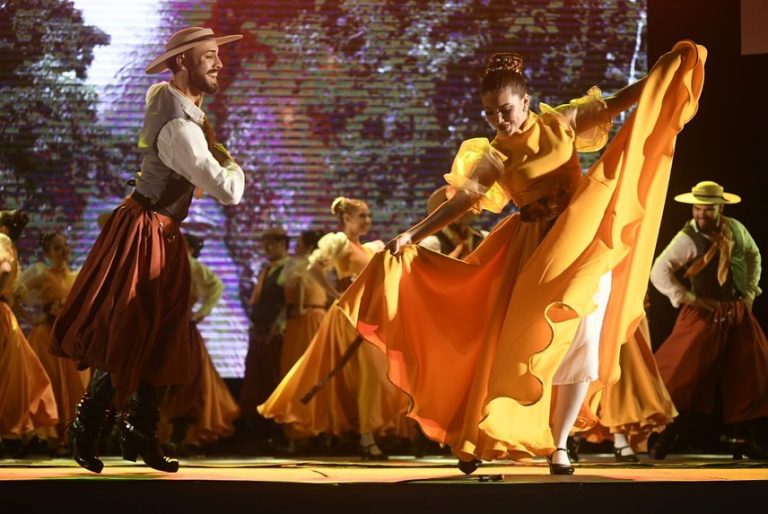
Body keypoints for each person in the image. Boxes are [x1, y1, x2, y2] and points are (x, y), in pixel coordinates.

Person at [337, 41, 706, 474]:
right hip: (533, 249)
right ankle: (481, 433)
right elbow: (463, 204)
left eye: (505, 110)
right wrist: (413, 233)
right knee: (513, 345)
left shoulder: (562, 122)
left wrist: (665, 71)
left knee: (582, 342)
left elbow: (623, 101)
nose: (498, 120)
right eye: (489, 112)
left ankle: (560, 444)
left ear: (526, 101)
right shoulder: (495, 154)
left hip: (583, 242)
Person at [50, 26, 245, 474]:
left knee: (164, 331)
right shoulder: (181, 128)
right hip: (145, 232)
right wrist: (231, 163)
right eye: (208, 56)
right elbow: (228, 191)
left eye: (218, 55)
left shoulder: (175, 102)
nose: (218, 64)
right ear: (182, 63)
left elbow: (166, 97)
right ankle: (88, 425)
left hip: (162, 230)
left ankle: (138, 432)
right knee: (130, 326)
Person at [259, 197, 411, 460]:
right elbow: (314, 267)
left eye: (368, 216)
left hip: (369, 317)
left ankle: (363, 434)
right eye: (362, 215)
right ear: (346, 219)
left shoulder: (371, 247)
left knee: (375, 375)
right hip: (347, 319)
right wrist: (334, 293)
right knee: (366, 374)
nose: (367, 221)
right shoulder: (339, 242)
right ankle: (365, 437)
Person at [648, 180, 768, 459]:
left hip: (735, 311)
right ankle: (664, 437)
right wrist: (690, 299)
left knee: (751, 371)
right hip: (704, 313)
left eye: (708, 210)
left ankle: (748, 438)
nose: (701, 216)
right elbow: (659, 271)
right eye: (697, 210)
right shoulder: (687, 238)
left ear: (720, 208)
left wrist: (749, 292)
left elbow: (753, 255)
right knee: (682, 373)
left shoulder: (735, 229)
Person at [161, 233, 240, 455]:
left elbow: (217, 286)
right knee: (174, 381)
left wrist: (201, 313)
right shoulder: (168, 265)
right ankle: (173, 437)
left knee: (186, 380)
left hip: (180, 331)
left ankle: (181, 437)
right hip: (169, 330)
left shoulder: (190, 265)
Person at [17, 232, 90, 456]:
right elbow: (16, 292)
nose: (63, 251)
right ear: (48, 252)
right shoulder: (40, 273)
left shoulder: (76, 276)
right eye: (57, 248)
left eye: (65, 246)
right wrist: (32, 318)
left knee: (74, 387)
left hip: (68, 339)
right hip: (46, 338)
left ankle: (70, 438)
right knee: (50, 386)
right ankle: (50, 438)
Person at [0, 210, 58, 457]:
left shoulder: (1, 241)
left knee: (15, 374)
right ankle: (19, 433)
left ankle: (16, 432)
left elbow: (3, 270)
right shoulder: (10, 245)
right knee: (19, 373)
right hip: (5, 313)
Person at [238, 226, 291, 448]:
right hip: (259, 331)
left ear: (283, 244)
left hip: (275, 333)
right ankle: (259, 432)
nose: (268, 248)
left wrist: (278, 326)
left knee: (273, 379)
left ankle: (276, 432)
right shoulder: (266, 269)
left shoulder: (289, 268)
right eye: (266, 243)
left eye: (272, 243)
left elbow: (288, 302)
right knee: (255, 381)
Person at [419, 185, 488, 259]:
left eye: (464, 205)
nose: (460, 210)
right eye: (454, 206)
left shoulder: (485, 238)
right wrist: (458, 250)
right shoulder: (430, 244)